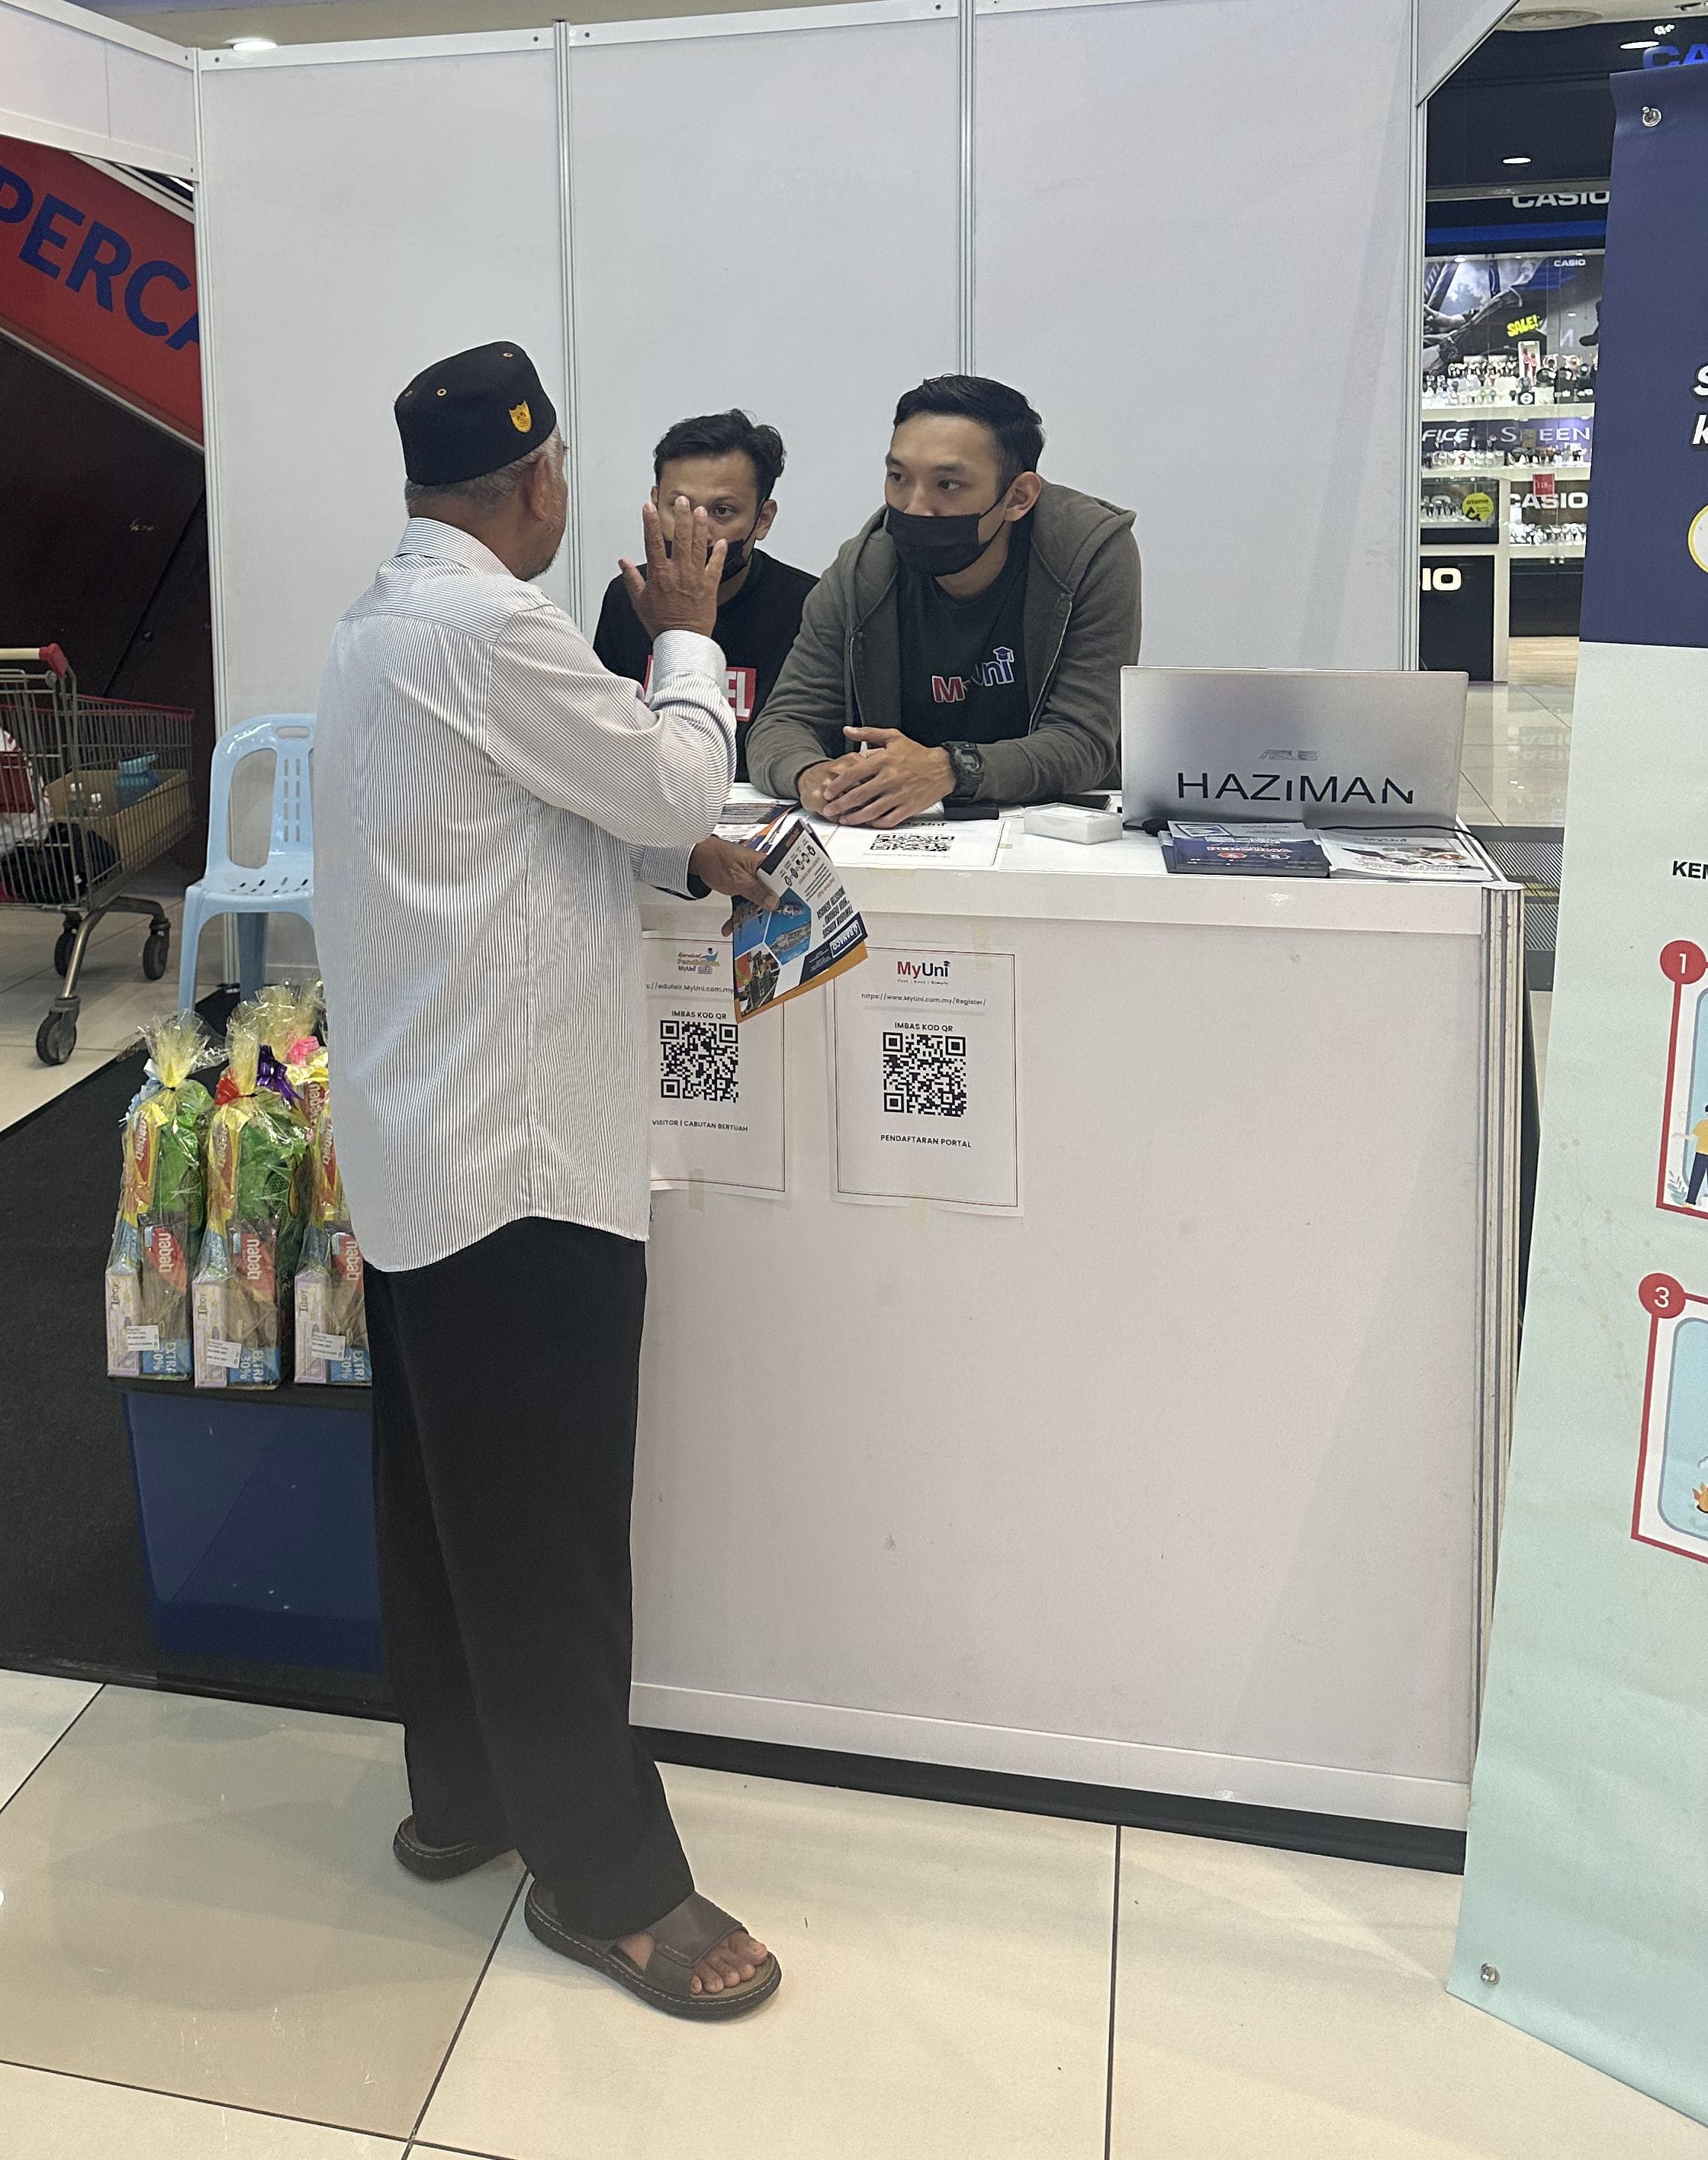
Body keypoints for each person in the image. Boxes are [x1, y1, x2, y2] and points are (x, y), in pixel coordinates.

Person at [313, 341, 782, 2022]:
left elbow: (532, 814)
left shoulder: (385, 617)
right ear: (536, 482)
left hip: (421, 1136)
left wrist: (675, 840)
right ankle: (608, 1883)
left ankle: (465, 1798)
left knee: (451, 1506)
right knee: (548, 1539)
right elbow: (667, 772)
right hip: (519, 1159)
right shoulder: (492, 627)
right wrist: (683, 628)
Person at [747, 373, 1139, 825]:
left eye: (947, 485)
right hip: (906, 830)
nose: (914, 507)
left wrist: (949, 769)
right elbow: (782, 725)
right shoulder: (862, 571)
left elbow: (1083, 743)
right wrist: (814, 776)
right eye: (898, 477)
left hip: (1051, 830)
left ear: (1018, 497)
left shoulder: (1087, 552)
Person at [591, 410, 816, 778]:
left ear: (763, 519)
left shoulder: (810, 607)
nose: (696, 529)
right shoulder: (629, 595)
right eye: (678, 507)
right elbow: (608, 738)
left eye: (721, 511)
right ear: (655, 502)